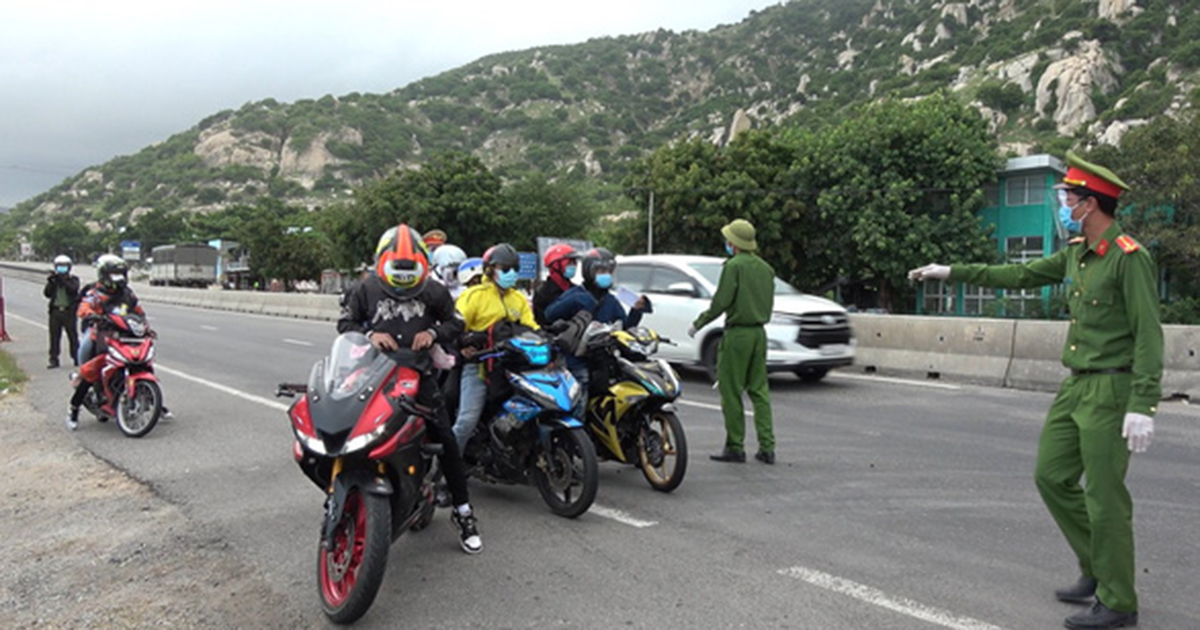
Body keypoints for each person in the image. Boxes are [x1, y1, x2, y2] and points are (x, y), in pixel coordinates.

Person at [908, 151, 1160, 630]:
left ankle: (1119, 602)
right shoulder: (1076, 254)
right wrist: (951, 271)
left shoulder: (1128, 258)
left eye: (1068, 198)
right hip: (1076, 385)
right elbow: (1019, 276)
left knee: (1106, 497)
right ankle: (1097, 566)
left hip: (1111, 387)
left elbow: (1149, 333)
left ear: (1089, 204)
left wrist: (1143, 403)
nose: (1063, 205)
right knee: (1051, 476)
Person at [337, 223, 482, 555]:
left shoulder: (434, 292)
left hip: (419, 375)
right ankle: (344, 497)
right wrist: (370, 335)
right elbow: (345, 323)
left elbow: (457, 322)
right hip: (373, 375)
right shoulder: (365, 289)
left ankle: (463, 512)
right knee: (353, 432)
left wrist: (433, 334)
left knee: (446, 439)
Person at [688, 219, 776, 465]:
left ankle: (735, 446)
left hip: (737, 335)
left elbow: (722, 301)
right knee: (759, 391)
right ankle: (767, 447)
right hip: (759, 334)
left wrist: (699, 323)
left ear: (734, 242)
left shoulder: (733, 266)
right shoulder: (766, 269)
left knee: (731, 391)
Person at [452, 243, 539, 452]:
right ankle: (446, 466)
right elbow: (454, 328)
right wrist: (463, 345)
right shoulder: (474, 296)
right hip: (480, 367)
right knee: (467, 420)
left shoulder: (518, 299)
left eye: (515, 269)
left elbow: (532, 327)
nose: (511, 273)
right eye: (505, 269)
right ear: (490, 270)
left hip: (513, 367)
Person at [545, 247, 650, 413]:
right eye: (601, 271)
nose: (606, 275)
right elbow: (550, 314)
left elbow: (624, 327)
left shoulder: (611, 300)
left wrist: (637, 310)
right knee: (579, 406)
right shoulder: (576, 294)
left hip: (602, 361)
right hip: (577, 360)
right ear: (589, 272)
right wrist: (575, 302)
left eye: (608, 271)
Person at [67, 255, 145, 430]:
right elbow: (84, 308)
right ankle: (74, 409)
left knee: (141, 361)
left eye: (121, 274)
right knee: (91, 369)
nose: (118, 278)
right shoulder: (95, 293)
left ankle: (151, 399)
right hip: (101, 333)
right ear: (104, 275)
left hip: (124, 335)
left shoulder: (128, 294)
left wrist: (143, 323)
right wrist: (92, 315)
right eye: (114, 274)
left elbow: (139, 311)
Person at [44, 254, 81, 369]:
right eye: (60, 266)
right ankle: (54, 359)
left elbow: (73, 290)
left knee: (73, 336)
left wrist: (63, 280)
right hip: (55, 311)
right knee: (54, 337)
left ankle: (76, 357)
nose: (62, 269)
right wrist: (52, 282)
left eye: (64, 267)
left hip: (69, 312)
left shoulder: (73, 280)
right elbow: (47, 294)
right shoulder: (55, 281)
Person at [532, 243, 580, 326]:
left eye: (574, 263)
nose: (573, 266)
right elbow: (540, 322)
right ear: (556, 265)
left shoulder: (576, 290)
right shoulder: (543, 293)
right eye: (569, 263)